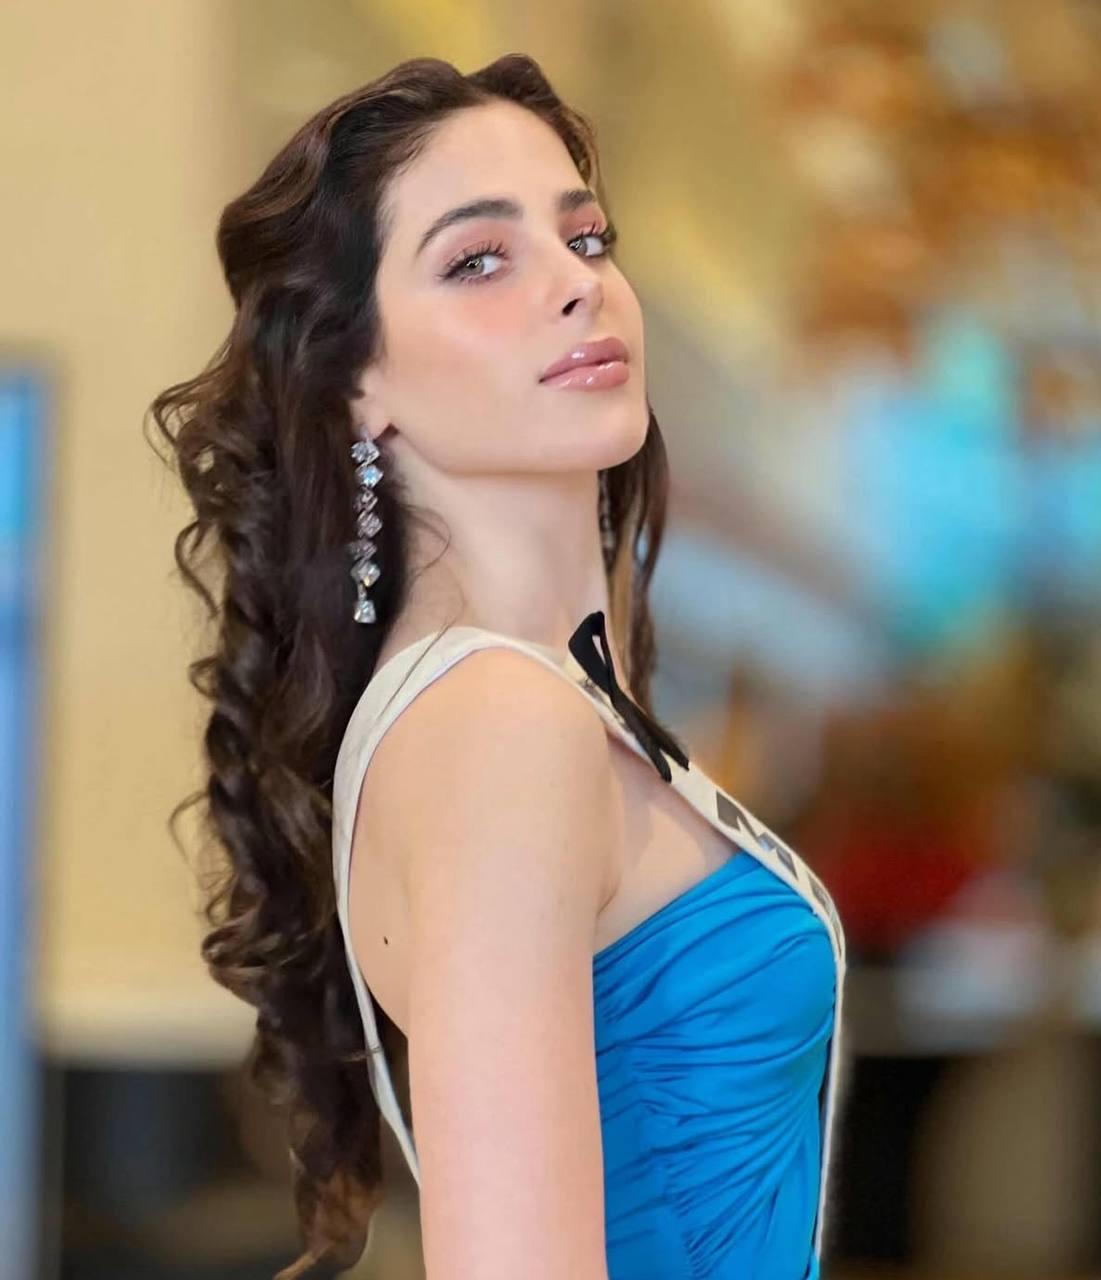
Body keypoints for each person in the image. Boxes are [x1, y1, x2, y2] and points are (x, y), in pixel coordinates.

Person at [147, 52, 847, 1280]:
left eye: (584, 237)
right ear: (352, 378)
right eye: (478, 259)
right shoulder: (497, 723)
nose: (575, 284)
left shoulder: (514, 702)